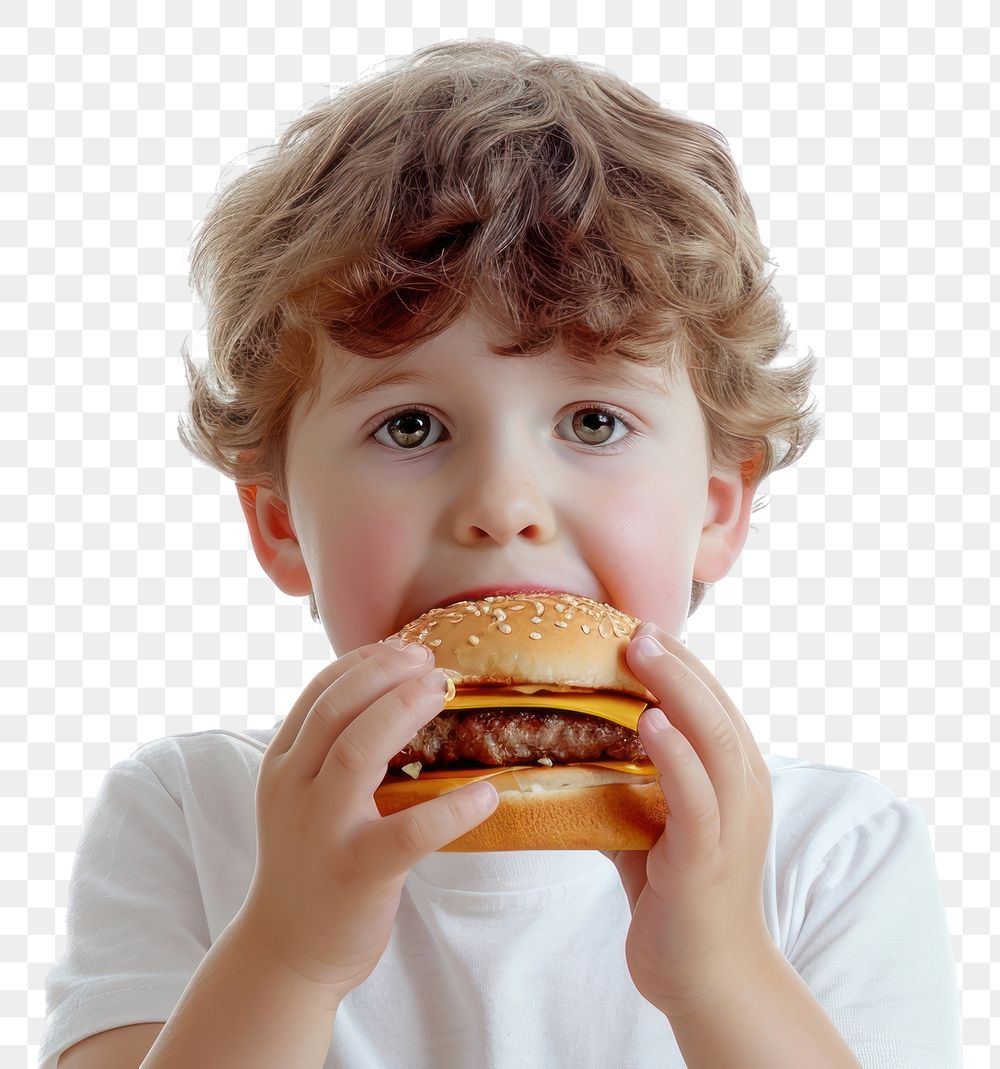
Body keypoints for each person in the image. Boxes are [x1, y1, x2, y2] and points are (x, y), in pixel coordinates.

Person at [40, 38, 961, 1069]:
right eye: (411, 427)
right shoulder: (193, 815)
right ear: (281, 522)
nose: (503, 506)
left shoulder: (828, 849)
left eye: (595, 423)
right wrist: (289, 957)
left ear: (715, 508)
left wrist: (720, 973)